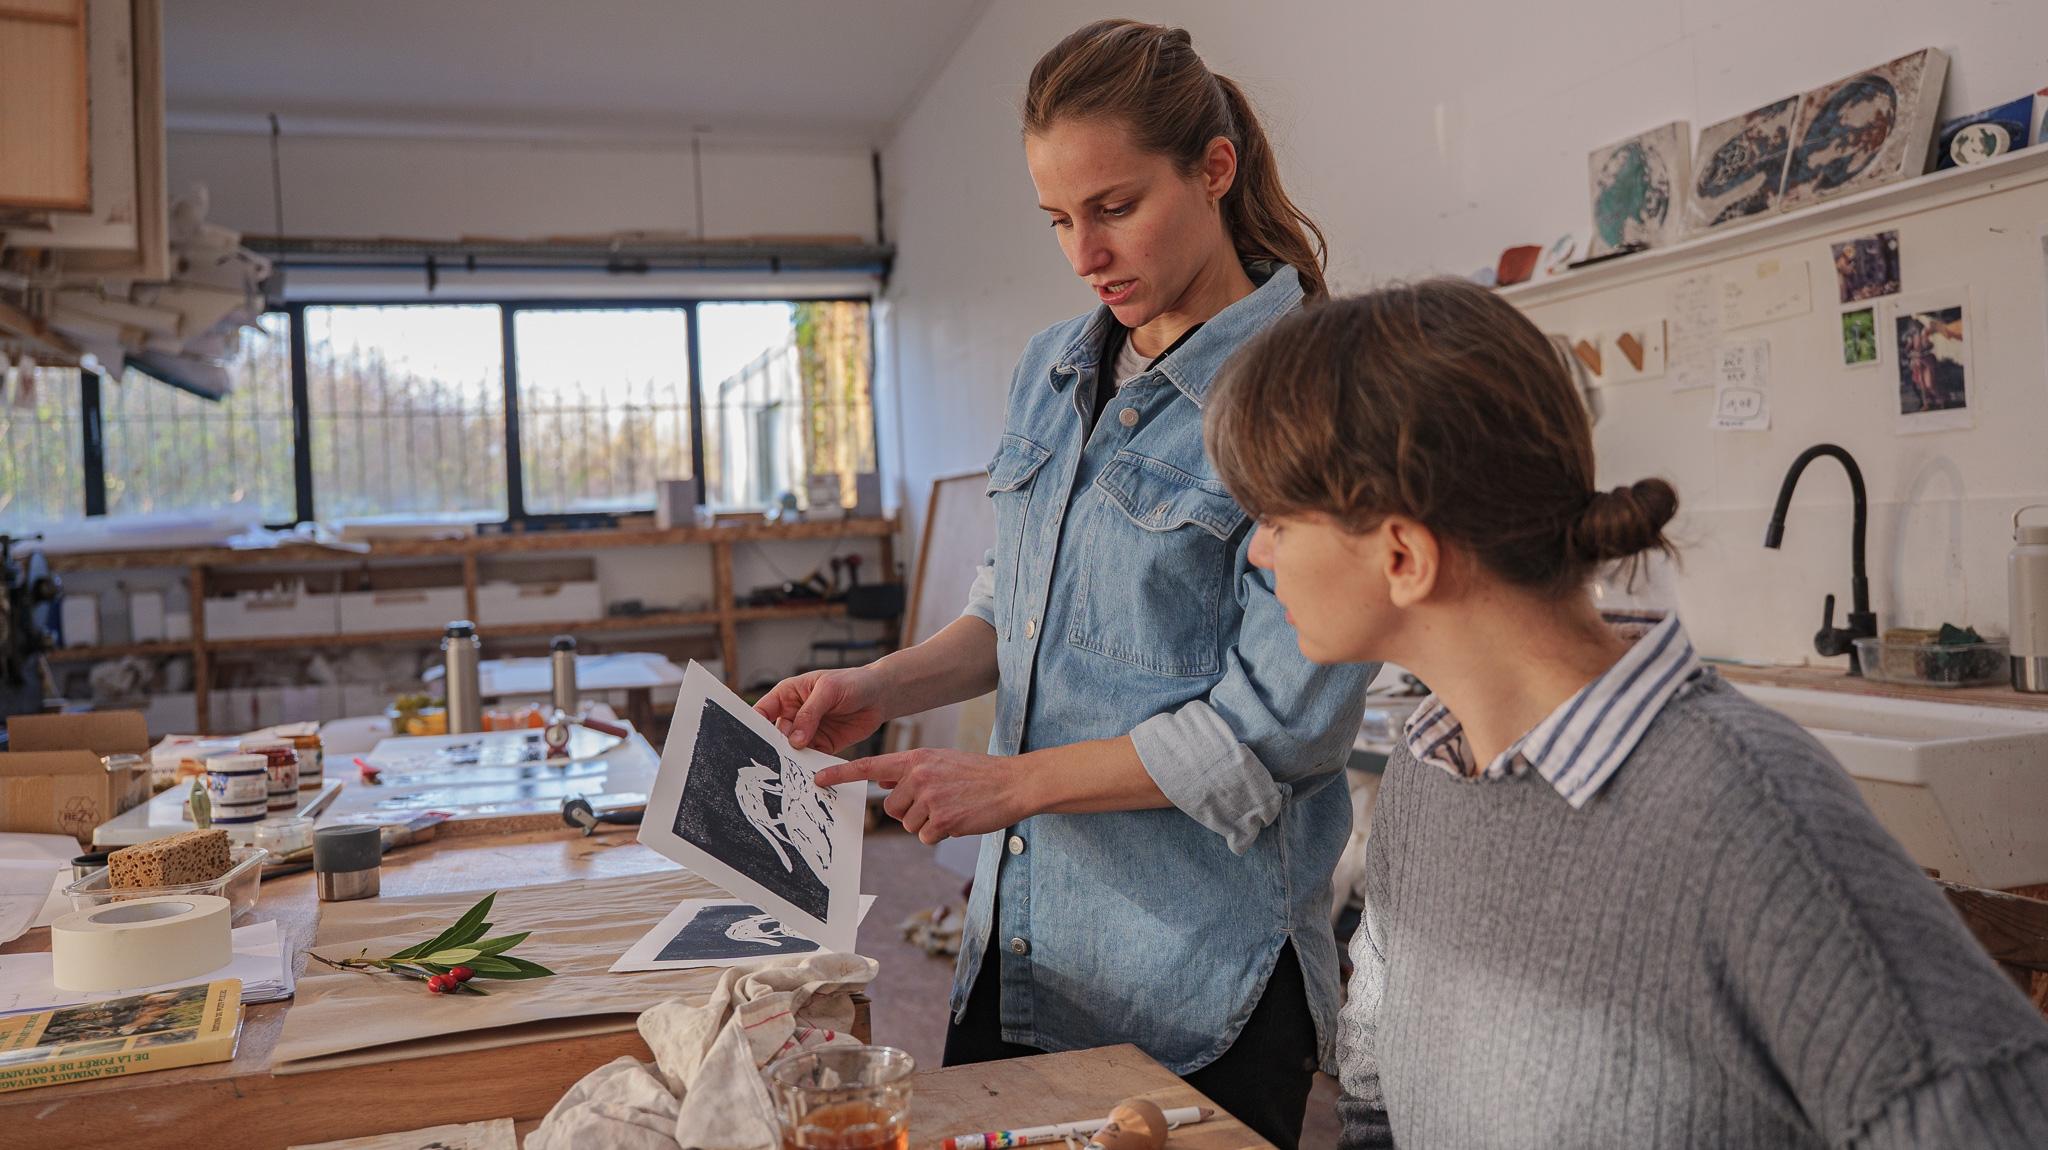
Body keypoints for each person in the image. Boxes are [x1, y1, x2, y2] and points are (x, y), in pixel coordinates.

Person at [1202, 278, 2048, 1148]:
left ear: (1404, 556)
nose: (1259, 552)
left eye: (1277, 520)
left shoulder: (1749, 815)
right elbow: (1377, 1102)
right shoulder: (1430, 771)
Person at [755, 19, 1373, 1147]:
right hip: (1023, 947)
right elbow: (1015, 606)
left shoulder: (1311, 391)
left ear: (1215, 169)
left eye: (1114, 207)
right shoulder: (1052, 367)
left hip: (1198, 977)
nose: (1084, 253)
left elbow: (1273, 735)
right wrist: (881, 686)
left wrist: (1013, 784)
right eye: (1056, 218)